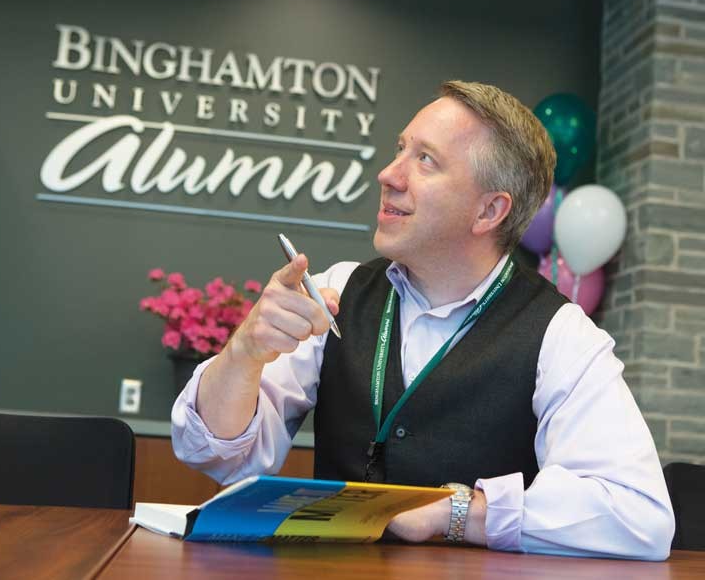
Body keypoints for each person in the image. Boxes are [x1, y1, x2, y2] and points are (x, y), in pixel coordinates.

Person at [172, 80, 674, 559]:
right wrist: (243, 354)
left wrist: (459, 512)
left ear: (489, 212)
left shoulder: (560, 333)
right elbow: (217, 456)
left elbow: (639, 517)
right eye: (400, 149)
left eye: (426, 160)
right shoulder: (338, 289)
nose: (388, 174)